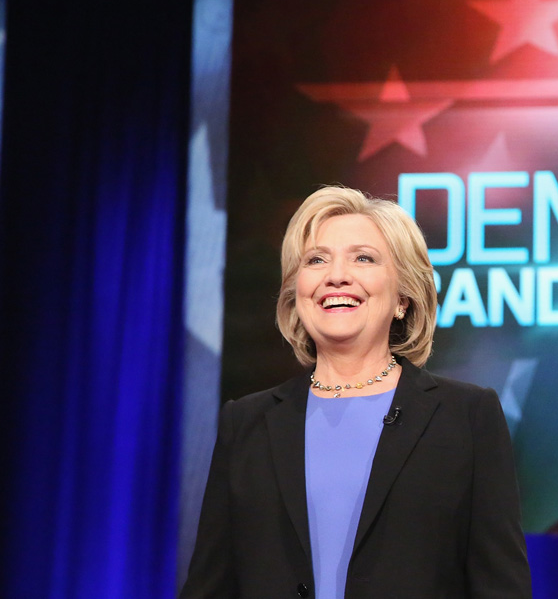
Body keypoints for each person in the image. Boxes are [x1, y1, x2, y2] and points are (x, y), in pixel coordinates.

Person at [181, 186, 531, 599]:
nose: (336, 276)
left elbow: (500, 586)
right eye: (316, 260)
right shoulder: (246, 423)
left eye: (363, 258)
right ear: (296, 292)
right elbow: (210, 586)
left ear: (403, 297)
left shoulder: (466, 416)